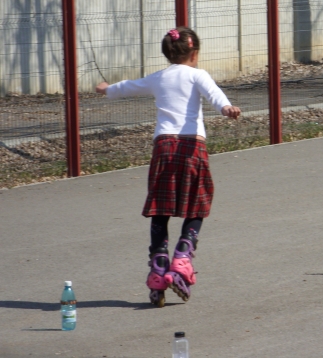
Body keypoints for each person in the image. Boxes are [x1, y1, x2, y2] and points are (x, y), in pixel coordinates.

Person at [96, 26, 241, 307]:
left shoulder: (158, 77)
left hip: (164, 147)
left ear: (168, 54)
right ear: (194, 54)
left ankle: (159, 266)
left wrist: (107, 90)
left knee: (160, 209)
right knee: (197, 204)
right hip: (192, 148)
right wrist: (227, 109)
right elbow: (215, 96)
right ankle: (182, 258)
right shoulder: (198, 75)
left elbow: (129, 86)